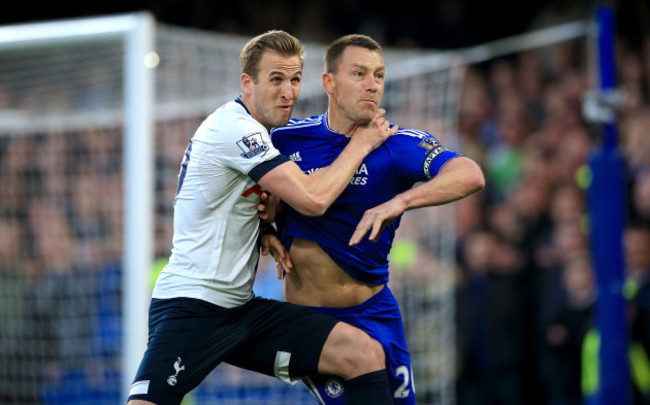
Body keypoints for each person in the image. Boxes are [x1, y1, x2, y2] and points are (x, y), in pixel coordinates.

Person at [127, 30, 399, 405]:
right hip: (193, 306)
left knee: (361, 353)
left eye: (294, 79)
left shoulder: (259, 133)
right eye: (276, 79)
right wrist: (361, 144)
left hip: (240, 310)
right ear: (247, 83)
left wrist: (265, 229)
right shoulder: (234, 129)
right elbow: (313, 200)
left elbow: (228, 203)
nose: (288, 92)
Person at [266, 34, 485, 404]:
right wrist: (263, 230)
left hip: (374, 314)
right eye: (359, 73)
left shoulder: (397, 144)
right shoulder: (286, 139)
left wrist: (401, 201)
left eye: (379, 76)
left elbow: (470, 175)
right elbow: (252, 199)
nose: (372, 84)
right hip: (313, 320)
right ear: (330, 83)